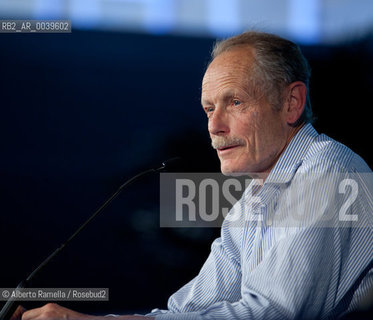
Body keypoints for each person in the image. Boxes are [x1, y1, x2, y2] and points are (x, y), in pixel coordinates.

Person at [11, 31, 372, 320]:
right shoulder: (250, 201)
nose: (214, 126)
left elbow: (274, 312)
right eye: (208, 108)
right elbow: (188, 311)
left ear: (291, 103)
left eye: (235, 102)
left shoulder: (328, 169)